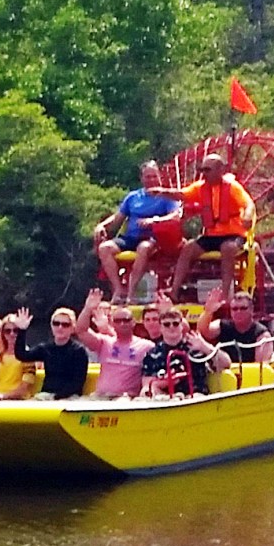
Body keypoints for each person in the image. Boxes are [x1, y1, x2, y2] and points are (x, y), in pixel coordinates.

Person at [148, 153, 255, 302]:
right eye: (202, 170)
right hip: (211, 235)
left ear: (220, 170)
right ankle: (174, 291)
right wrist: (161, 191)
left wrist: (248, 217)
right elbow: (182, 194)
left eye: (207, 170)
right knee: (188, 248)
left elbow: (248, 204)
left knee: (228, 248)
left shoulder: (233, 187)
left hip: (234, 234)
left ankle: (225, 295)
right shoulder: (200, 187)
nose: (203, 173)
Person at [93, 160, 180, 304]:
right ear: (142, 178)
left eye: (154, 176)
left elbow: (176, 215)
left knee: (143, 248)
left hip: (153, 238)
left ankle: (131, 293)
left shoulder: (167, 197)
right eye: (148, 177)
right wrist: (101, 225)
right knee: (105, 248)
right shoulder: (133, 197)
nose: (152, 180)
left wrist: (155, 220)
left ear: (159, 177)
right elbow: (117, 218)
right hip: (130, 238)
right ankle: (119, 289)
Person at [75, 288, 155, 398]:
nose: (122, 324)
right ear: (112, 323)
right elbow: (81, 331)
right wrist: (88, 309)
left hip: (126, 398)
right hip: (100, 396)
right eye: (118, 321)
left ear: (133, 322)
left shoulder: (147, 346)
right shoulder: (104, 342)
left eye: (126, 320)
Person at [141, 307, 232, 396]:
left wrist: (204, 347)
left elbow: (226, 364)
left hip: (196, 397)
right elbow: (147, 385)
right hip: (167, 399)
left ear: (181, 326)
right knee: (144, 393)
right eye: (167, 324)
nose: (171, 327)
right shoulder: (153, 354)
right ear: (160, 327)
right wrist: (166, 382)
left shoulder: (196, 346)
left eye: (175, 323)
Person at [13, 307, 89, 399]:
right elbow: (21, 355)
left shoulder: (78, 351)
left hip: (70, 397)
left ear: (72, 328)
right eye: (56, 323)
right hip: (46, 395)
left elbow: (77, 382)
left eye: (65, 325)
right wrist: (22, 330)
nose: (60, 327)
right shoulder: (45, 349)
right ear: (51, 326)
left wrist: (56, 397)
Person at [196, 288, 273, 363]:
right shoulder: (223, 326)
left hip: (250, 374)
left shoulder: (262, 334)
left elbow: (261, 368)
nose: (238, 312)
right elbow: (203, 331)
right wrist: (208, 311)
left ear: (251, 309)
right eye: (234, 309)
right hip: (226, 373)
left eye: (243, 308)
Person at [0, 313, 37, 400]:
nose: (12, 334)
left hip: (18, 402)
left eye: (16, 330)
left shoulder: (27, 356)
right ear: (3, 334)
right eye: (7, 331)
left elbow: (24, 388)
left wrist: (3, 396)